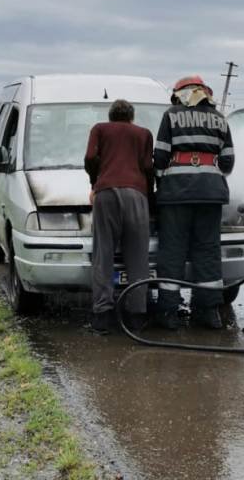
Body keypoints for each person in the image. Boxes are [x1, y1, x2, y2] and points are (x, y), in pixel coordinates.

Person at [153, 75, 235, 329]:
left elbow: (160, 156)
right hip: (211, 195)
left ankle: (168, 313)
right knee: (208, 251)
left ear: (180, 93)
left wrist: (163, 180)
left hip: (176, 195)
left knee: (172, 252)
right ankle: (208, 312)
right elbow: (228, 161)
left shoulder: (171, 115)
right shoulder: (220, 119)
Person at [84, 99, 154, 333]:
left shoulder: (99, 129)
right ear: (131, 117)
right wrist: (149, 199)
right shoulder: (143, 134)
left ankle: (103, 315)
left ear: (111, 115)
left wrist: (96, 181)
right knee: (138, 257)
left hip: (106, 194)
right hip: (137, 194)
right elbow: (147, 166)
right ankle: (137, 316)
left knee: (103, 255)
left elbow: (90, 158)